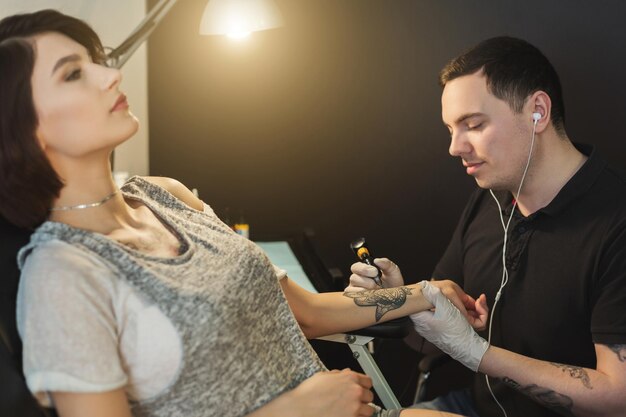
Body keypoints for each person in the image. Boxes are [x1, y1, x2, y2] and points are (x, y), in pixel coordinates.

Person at [0, 9, 466, 417]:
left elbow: (305, 313)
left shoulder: (166, 196)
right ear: (23, 127)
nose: (110, 75)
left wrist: (425, 292)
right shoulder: (61, 274)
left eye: (95, 60)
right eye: (72, 74)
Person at [349, 36, 626, 417]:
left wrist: (479, 354)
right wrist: (401, 303)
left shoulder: (616, 221)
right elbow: (430, 341)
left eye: (473, 125)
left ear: (538, 112)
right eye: (450, 130)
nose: (454, 147)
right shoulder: (488, 199)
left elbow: (617, 397)